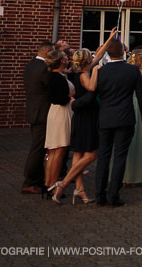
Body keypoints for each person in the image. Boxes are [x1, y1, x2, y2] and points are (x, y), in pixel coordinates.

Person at [93, 37, 142, 207]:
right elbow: (141, 95)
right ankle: (113, 195)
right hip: (125, 117)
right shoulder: (132, 71)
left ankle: (100, 195)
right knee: (119, 157)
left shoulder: (101, 71)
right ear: (124, 52)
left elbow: (94, 93)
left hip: (105, 117)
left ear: (108, 53)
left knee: (103, 156)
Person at [52, 45, 105, 204]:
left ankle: (80, 189)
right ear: (88, 61)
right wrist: (96, 72)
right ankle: (62, 184)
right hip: (86, 117)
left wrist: (110, 39)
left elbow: (99, 56)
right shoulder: (84, 75)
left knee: (78, 154)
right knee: (92, 154)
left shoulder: (79, 72)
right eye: (92, 58)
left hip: (81, 116)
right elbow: (92, 87)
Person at [115, 49, 142, 186]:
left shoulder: (124, 72)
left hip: (124, 106)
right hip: (137, 107)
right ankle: (135, 177)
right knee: (137, 141)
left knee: (123, 142)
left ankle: (122, 176)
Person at [22, 42, 53, 192]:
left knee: (38, 147)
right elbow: (50, 88)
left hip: (34, 110)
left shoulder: (31, 65)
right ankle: (30, 181)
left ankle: (37, 178)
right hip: (42, 112)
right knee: (38, 148)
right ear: (47, 52)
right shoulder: (44, 69)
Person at [44, 50, 75, 197]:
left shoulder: (57, 75)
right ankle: (53, 184)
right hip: (61, 114)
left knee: (53, 150)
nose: (67, 59)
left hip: (56, 113)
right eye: (65, 58)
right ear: (61, 61)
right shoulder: (57, 77)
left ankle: (48, 183)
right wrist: (70, 98)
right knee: (59, 150)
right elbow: (59, 98)